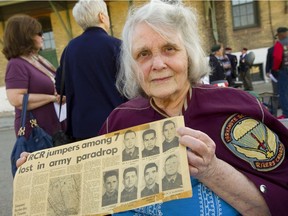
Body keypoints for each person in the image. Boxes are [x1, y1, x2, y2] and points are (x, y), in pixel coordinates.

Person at [17, 0, 288, 215]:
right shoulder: (119, 122)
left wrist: (212, 170)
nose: (157, 64)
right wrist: (44, 174)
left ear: (190, 54)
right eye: (143, 54)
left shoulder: (236, 108)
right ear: (132, 66)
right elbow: (88, 199)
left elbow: (279, 200)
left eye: (169, 49)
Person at [55, 0, 127, 140]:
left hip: (81, 128)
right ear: (101, 16)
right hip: (116, 123)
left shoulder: (69, 49)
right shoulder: (117, 46)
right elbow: (130, 87)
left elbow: (60, 88)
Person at [2, 14, 65, 139]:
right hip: (37, 132)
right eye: (38, 33)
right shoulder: (16, 64)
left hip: (53, 127)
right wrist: (52, 98)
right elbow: (16, 99)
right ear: (25, 36)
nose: (42, 37)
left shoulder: (37, 59)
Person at [272, 27, 288, 119]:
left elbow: (277, 58)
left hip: (284, 70)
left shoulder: (280, 44)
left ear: (281, 34)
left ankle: (286, 113)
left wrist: (275, 69)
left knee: (283, 92)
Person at [265, 45, 279, 117]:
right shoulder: (271, 50)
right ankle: (274, 114)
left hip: (285, 75)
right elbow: (268, 61)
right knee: (276, 94)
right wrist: (267, 71)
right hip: (275, 75)